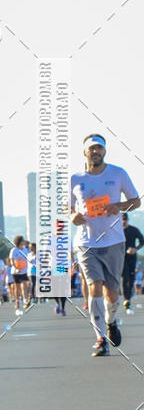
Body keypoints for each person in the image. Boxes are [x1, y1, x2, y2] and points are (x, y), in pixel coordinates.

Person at [71, 134, 140, 356]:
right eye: (91, 149)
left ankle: (111, 321)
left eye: (99, 148)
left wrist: (118, 206)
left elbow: (136, 201)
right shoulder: (75, 179)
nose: (96, 152)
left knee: (112, 292)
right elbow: (67, 207)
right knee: (94, 286)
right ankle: (101, 338)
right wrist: (73, 216)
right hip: (86, 242)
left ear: (104, 151)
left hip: (114, 242)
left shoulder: (117, 173)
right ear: (85, 152)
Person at [121, 213, 144, 310]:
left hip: (132, 257)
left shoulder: (133, 230)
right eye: (122, 219)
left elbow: (142, 241)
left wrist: (136, 248)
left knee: (131, 278)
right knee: (125, 277)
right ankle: (126, 298)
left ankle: (128, 298)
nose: (123, 221)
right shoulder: (117, 231)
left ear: (128, 220)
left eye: (125, 219)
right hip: (121, 257)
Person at [9, 235, 31, 313]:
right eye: (22, 240)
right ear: (19, 241)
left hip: (24, 271)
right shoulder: (14, 250)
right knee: (17, 287)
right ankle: (17, 300)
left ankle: (24, 299)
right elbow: (11, 261)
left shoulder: (26, 250)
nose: (24, 241)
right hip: (16, 271)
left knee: (24, 284)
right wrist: (16, 268)